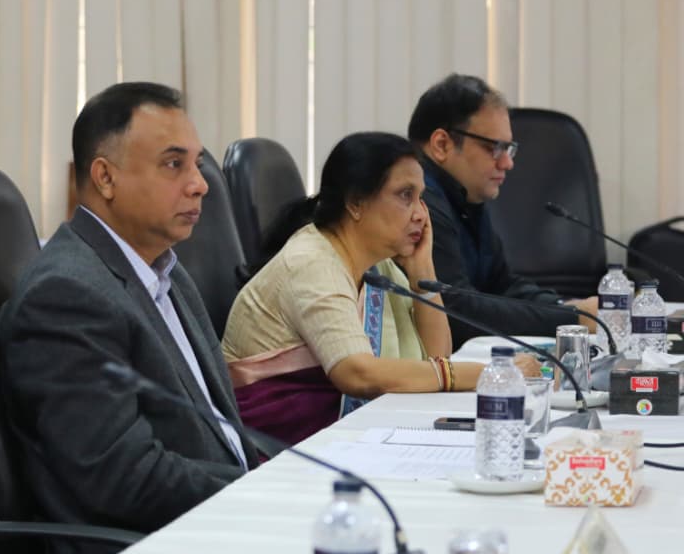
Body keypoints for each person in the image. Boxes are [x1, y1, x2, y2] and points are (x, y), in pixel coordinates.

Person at [0, 82, 262, 554]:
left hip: (211, 527)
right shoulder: (67, 295)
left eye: (197, 164)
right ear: (105, 177)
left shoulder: (165, 270)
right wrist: (262, 493)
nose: (200, 185)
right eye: (173, 165)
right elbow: (123, 477)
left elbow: (214, 431)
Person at [221, 132, 533, 446]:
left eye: (420, 198)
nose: (420, 214)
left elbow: (436, 357)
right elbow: (357, 373)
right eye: (405, 195)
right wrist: (486, 374)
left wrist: (422, 272)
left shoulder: (377, 266)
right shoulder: (312, 262)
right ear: (356, 203)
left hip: (340, 437)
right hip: (276, 448)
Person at [408, 74, 598, 347]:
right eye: (495, 148)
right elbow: (456, 310)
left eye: (509, 149)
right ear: (442, 145)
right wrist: (572, 318)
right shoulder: (419, 203)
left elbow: (501, 285)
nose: (508, 163)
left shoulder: (466, 197)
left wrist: (566, 306)